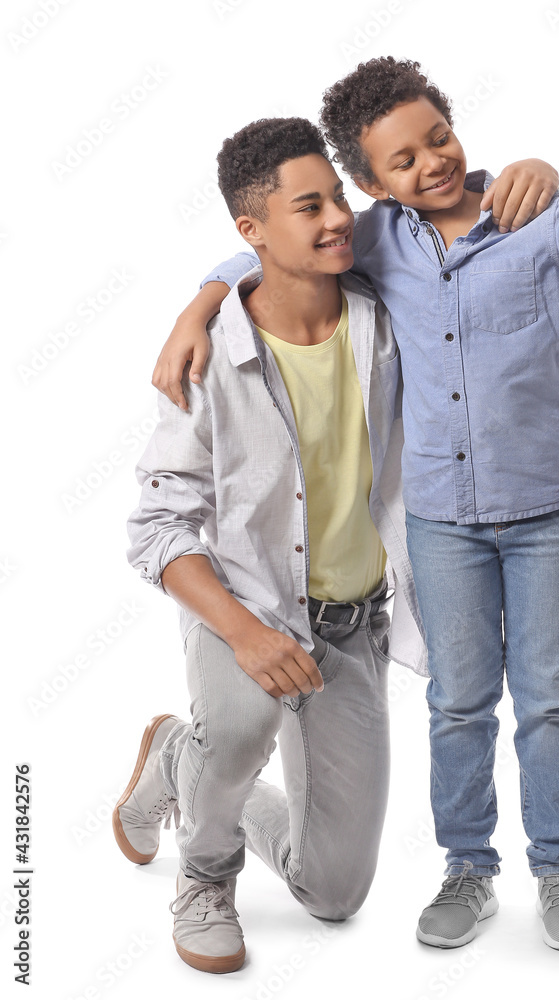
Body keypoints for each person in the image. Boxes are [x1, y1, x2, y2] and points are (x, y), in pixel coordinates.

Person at [149, 57, 559, 952]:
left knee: (552, 694)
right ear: (372, 185)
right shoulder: (374, 240)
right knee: (459, 700)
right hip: (440, 521)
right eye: (401, 162)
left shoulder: (539, 215)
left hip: (547, 509)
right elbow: (273, 245)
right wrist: (200, 302)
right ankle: (467, 868)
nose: (430, 164)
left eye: (438, 138)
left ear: (454, 128)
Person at [114, 116, 430, 974]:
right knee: (243, 719)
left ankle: (177, 759)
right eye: (308, 206)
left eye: (337, 197)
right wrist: (248, 635)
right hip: (243, 607)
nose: (336, 217)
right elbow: (157, 527)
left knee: (334, 893)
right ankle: (206, 874)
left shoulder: (384, 318)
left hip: (354, 624)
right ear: (251, 230)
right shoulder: (208, 357)